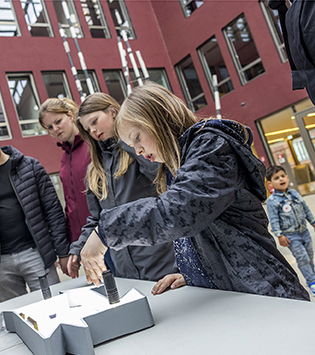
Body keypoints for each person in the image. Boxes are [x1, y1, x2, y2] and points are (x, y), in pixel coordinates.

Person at [80, 82, 310, 301]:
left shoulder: (212, 148)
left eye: (137, 137)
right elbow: (210, 233)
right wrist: (195, 273)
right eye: (131, 145)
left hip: (265, 291)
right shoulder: (182, 162)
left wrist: (105, 231)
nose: (138, 151)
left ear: (163, 116)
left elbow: (180, 211)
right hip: (234, 295)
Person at [68, 92, 176, 281]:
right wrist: (80, 247)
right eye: (87, 129)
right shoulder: (95, 169)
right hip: (123, 266)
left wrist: (125, 140)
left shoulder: (140, 149)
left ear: (113, 112)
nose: (93, 131)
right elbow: (97, 219)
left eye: (94, 121)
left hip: (160, 256)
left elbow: (163, 177)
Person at [0, 121, 70, 302]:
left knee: (54, 308)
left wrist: (63, 252)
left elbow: (53, 212)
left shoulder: (31, 167)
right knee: (19, 318)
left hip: (37, 255)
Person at [39, 98, 91, 247]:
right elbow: (70, 204)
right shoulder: (64, 158)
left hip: (104, 235)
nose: (55, 129)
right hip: (82, 241)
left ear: (70, 115)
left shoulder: (92, 144)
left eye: (58, 121)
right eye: (49, 127)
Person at [266, 165, 315, 295]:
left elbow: (306, 209)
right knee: (302, 258)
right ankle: (312, 281)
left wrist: (313, 222)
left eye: (283, 176)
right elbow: (274, 219)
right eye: (276, 178)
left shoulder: (295, 194)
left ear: (287, 177)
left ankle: (312, 276)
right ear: (270, 183)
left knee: (310, 256)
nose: (281, 179)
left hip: (304, 232)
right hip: (291, 236)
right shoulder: (272, 201)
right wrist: (279, 235)